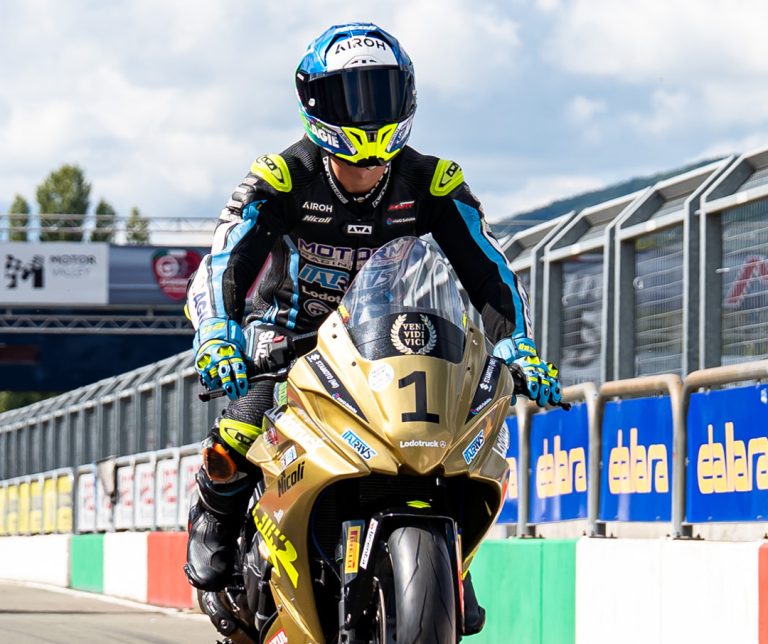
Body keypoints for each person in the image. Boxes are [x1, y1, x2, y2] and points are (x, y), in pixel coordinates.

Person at [184, 22, 562, 635]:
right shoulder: (279, 177)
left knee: (442, 446)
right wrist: (218, 334)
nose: (365, 114)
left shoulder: (434, 181)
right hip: (290, 347)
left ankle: (447, 564)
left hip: (390, 346)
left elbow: (488, 270)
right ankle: (215, 521)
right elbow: (224, 261)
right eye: (349, 95)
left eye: (379, 92)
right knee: (236, 435)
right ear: (314, 102)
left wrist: (516, 342)